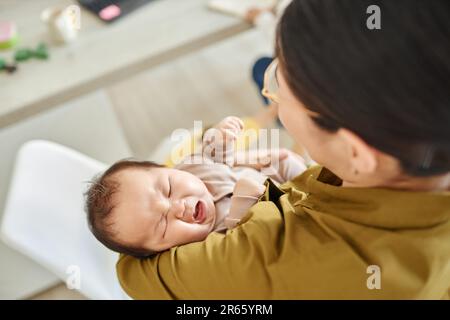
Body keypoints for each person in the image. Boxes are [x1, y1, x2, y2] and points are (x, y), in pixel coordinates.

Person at [116, 0, 450, 299]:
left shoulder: (270, 257)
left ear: (355, 153)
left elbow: (134, 274)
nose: (271, 88)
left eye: (277, 85)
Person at [85, 116, 306, 257]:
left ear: (170, 169)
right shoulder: (205, 247)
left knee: (286, 161)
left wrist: (220, 136)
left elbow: (213, 154)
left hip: (281, 178)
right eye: (162, 225)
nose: (177, 208)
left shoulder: (191, 167)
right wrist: (242, 206)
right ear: (161, 251)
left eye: (169, 189)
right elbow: (246, 246)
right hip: (280, 218)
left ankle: (314, 182)